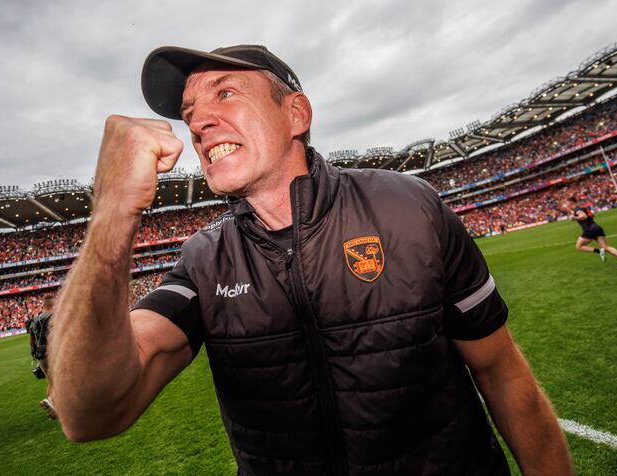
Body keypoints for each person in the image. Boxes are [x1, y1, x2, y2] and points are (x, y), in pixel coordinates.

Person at [50, 44, 573, 475]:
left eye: (225, 93)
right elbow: (89, 413)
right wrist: (111, 214)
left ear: (295, 113)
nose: (199, 124)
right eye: (189, 116)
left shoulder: (407, 207)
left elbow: (500, 370)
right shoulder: (204, 261)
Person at [568, 196, 617, 268]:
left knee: (579, 246)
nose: (566, 204)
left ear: (571, 202)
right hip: (597, 227)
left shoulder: (577, 209)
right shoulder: (582, 208)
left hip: (590, 229)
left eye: (567, 202)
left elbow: (584, 216)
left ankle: (599, 251)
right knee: (606, 247)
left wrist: (575, 217)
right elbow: (592, 215)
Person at [28, 296, 57, 419]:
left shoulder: (35, 319)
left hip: (40, 355)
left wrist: (33, 353)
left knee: (51, 382)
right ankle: (50, 401)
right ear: (52, 304)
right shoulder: (54, 317)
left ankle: (51, 410)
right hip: (52, 352)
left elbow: (31, 339)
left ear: (43, 305)